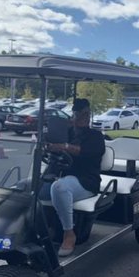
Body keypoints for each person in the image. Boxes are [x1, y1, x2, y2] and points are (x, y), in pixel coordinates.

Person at [46, 98, 106, 256]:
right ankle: (34, 229)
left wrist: (64, 147)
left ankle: (68, 233)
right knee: (24, 187)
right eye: (78, 114)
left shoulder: (96, 136)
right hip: (60, 175)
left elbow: (83, 152)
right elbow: (55, 148)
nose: (82, 117)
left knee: (59, 188)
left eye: (85, 114)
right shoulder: (67, 134)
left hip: (86, 181)